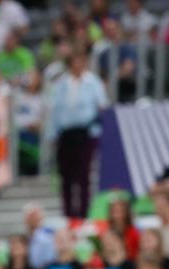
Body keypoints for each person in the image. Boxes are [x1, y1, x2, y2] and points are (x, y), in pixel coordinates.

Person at [47, 49, 108, 218]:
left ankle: (83, 213)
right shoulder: (61, 84)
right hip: (66, 133)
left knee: (83, 175)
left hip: (86, 132)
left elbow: (102, 106)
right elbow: (54, 110)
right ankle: (68, 214)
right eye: (75, 61)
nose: (78, 65)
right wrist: (52, 135)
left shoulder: (93, 82)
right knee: (66, 176)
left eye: (81, 61)